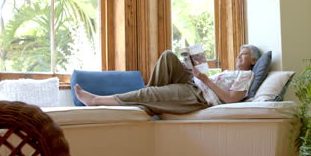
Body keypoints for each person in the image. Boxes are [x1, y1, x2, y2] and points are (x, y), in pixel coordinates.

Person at [74, 45, 262, 115]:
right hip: (195, 83)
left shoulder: (246, 76)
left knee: (149, 93)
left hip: (198, 95)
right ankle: (150, 101)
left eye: (244, 54)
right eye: (238, 53)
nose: (238, 56)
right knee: (168, 56)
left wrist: (206, 79)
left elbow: (230, 99)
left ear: (253, 61)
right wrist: (194, 70)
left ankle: (96, 100)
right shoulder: (233, 72)